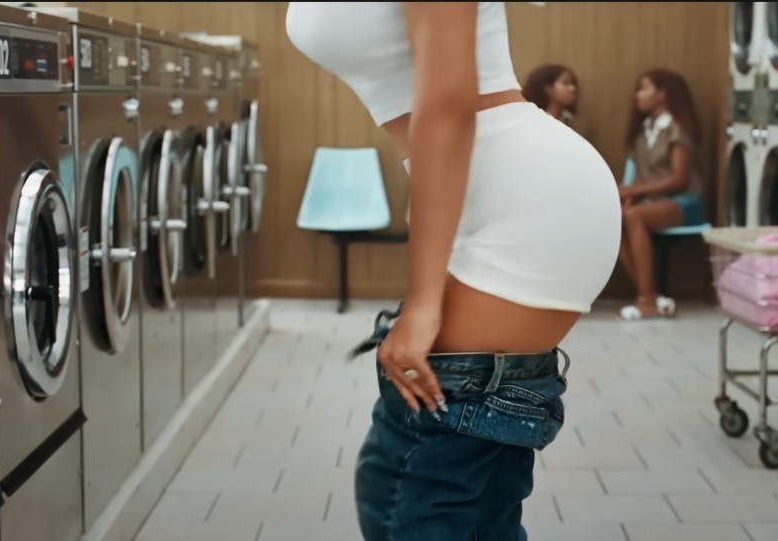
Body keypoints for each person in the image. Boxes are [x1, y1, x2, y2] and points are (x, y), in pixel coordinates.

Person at [286, 3, 620, 540]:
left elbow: (448, 100)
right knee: (460, 498)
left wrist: (422, 304)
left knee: (413, 486)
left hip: (519, 199)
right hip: (497, 191)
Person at [617, 68, 706, 321]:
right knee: (615, 219)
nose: (638, 95)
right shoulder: (642, 131)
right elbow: (638, 176)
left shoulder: (676, 128)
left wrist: (635, 191)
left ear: (663, 94)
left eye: (644, 88)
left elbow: (680, 179)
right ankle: (653, 296)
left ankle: (645, 300)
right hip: (652, 203)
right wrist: (628, 196)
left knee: (635, 217)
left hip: (683, 203)